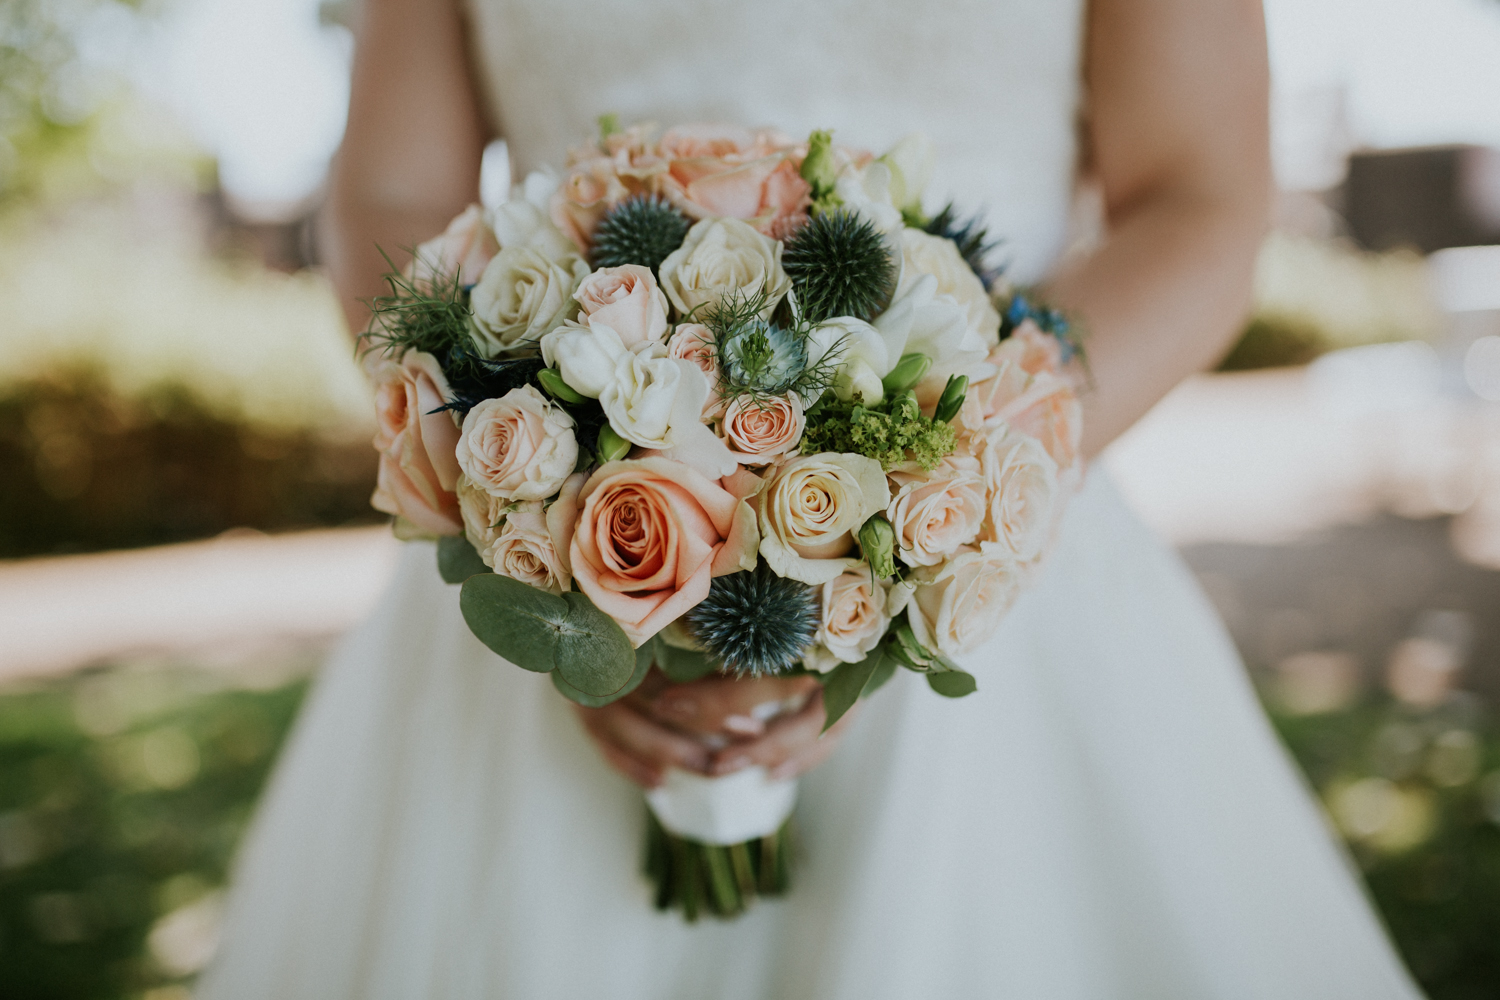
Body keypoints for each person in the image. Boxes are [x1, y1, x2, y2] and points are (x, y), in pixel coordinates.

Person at [198, 1, 1427, 997]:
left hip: (991, 540)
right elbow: (393, 201)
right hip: (533, 560)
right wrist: (540, 507)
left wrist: (932, 486)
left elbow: (1199, 194)